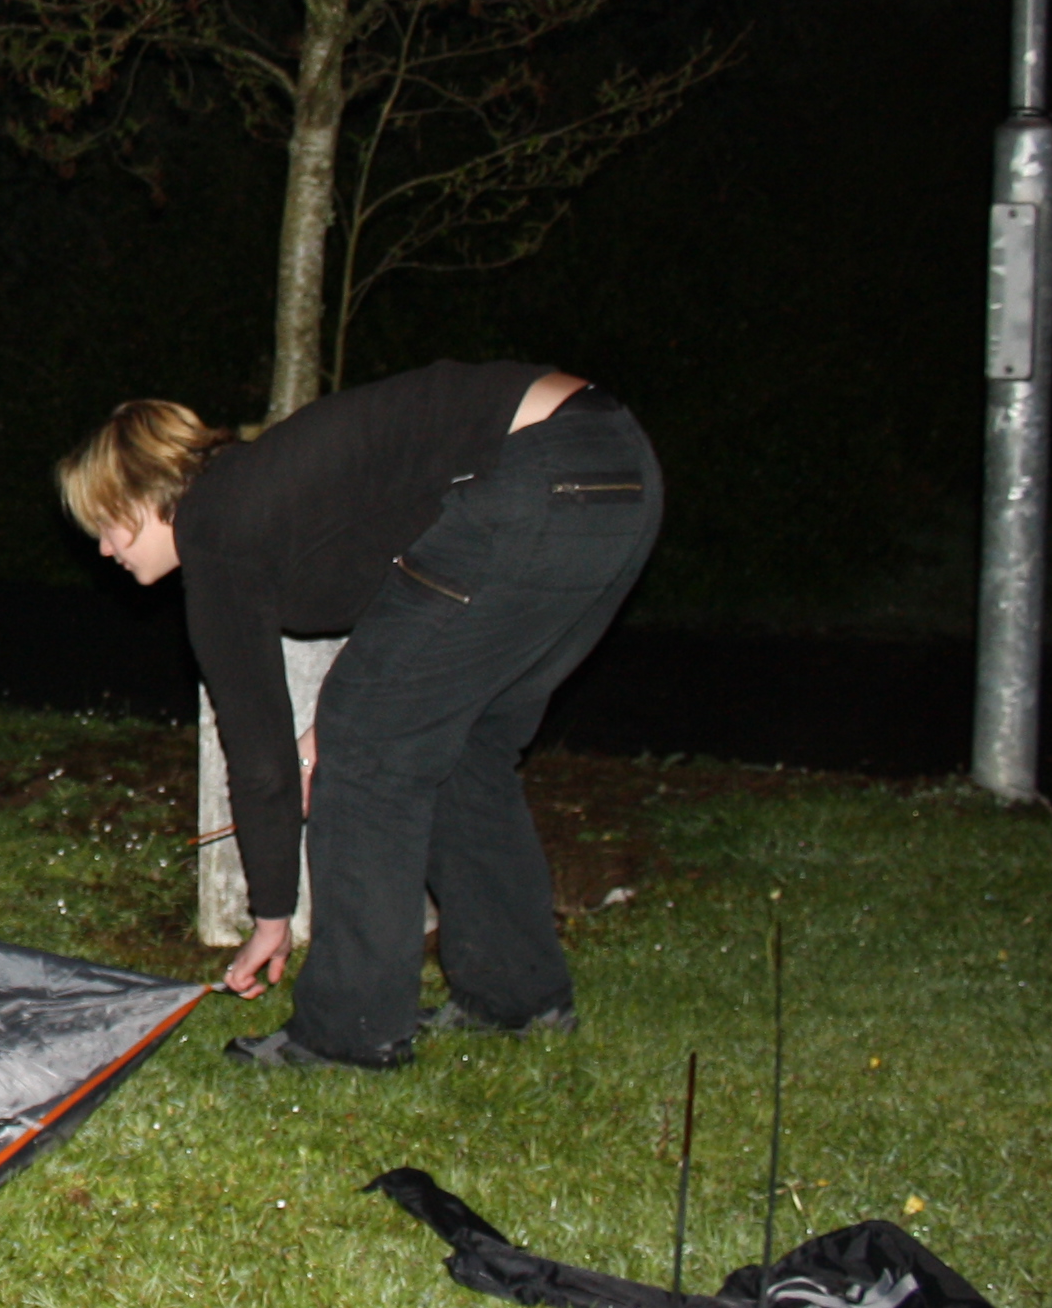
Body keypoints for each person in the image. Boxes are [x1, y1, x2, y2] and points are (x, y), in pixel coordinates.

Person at [61, 360, 662, 1071]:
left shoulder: (216, 525)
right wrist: (330, 730)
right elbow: (411, 612)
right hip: (617, 470)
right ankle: (515, 1000)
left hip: (539, 476)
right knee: (465, 745)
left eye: (105, 523)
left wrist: (271, 916)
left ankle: (350, 1032)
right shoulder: (276, 494)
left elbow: (259, 756)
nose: (103, 549)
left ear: (141, 493)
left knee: (369, 757)